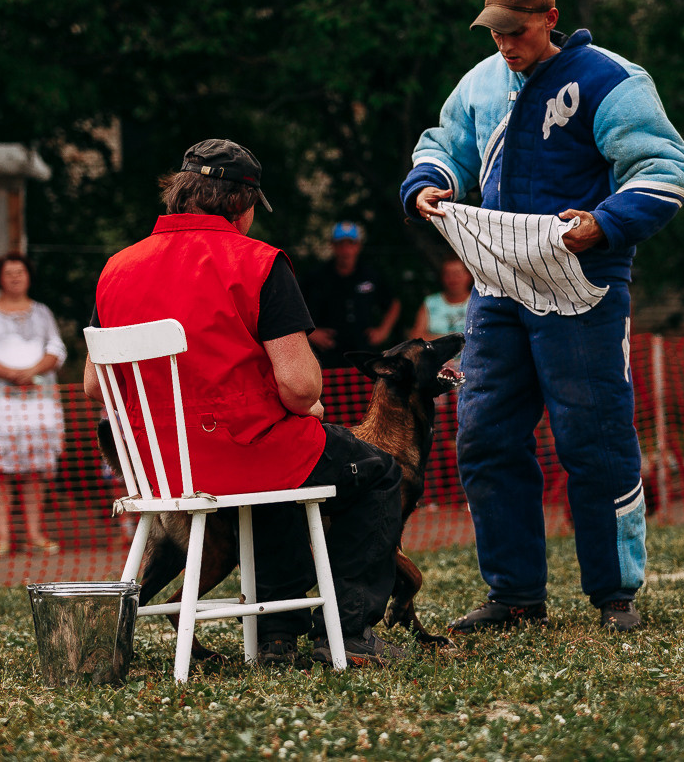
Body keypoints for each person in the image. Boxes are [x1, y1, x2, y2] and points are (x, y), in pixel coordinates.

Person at [399, 0, 684, 634]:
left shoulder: (610, 79)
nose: (506, 42)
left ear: (549, 18)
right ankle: (515, 593)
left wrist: (605, 222)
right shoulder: (482, 81)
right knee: (483, 436)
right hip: (498, 285)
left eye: (518, 30)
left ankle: (615, 593)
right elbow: (445, 142)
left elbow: (666, 169)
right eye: (496, 30)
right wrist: (429, 182)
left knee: (593, 439)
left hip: (582, 285)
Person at [84, 139, 406, 667]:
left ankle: (278, 638)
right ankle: (347, 633)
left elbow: (97, 387)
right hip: (242, 455)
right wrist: (307, 409)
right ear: (242, 202)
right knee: (376, 473)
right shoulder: (259, 262)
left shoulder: (117, 267)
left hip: (159, 467)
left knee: (282, 474)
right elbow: (302, 389)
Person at [0, 252, 67, 556]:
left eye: (20, 272)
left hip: (40, 405)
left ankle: (34, 535)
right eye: (8, 272)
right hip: (0, 405)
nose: (14, 277)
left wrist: (32, 372)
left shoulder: (43, 312)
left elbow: (56, 348)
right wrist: (11, 374)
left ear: (28, 276)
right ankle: (2, 537)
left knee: (36, 469)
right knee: (0, 471)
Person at [301, 221, 402, 368]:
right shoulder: (316, 276)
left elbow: (393, 303)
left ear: (359, 245)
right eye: (340, 244)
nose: (346, 249)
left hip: (363, 350)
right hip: (327, 353)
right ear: (333, 245)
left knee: (367, 388)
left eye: (351, 243)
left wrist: (383, 330)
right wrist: (311, 333)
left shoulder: (371, 274)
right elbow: (293, 306)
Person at [408, 256, 473, 341]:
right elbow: (416, 335)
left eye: (457, 273)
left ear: (469, 275)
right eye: (447, 274)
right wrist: (451, 341)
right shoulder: (431, 302)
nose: (453, 278)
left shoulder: (478, 302)